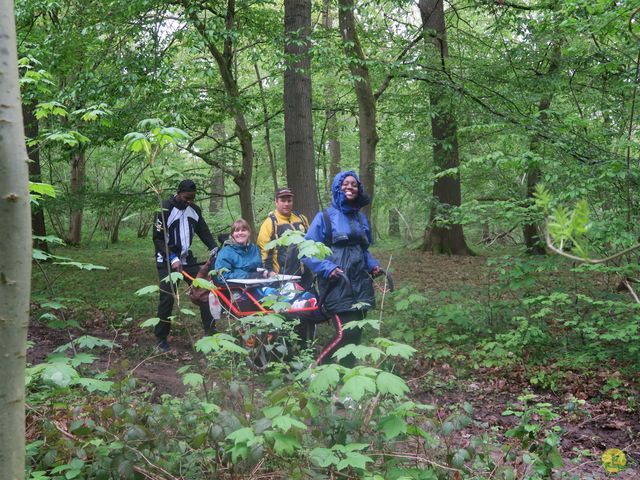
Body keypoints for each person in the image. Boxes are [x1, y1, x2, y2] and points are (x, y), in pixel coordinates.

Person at [303, 171, 381, 367]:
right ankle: (317, 372)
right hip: (336, 283)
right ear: (337, 187)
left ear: (359, 189)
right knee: (343, 334)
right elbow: (307, 251)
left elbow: (364, 250)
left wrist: (372, 265)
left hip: (361, 284)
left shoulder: (361, 219)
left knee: (356, 335)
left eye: (354, 184)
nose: (350, 187)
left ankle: (345, 381)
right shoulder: (325, 218)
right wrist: (326, 267)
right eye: (345, 183)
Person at [153, 179, 218, 352]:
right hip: (166, 260)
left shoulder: (194, 210)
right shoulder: (165, 209)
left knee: (204, 290)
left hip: (187, 260)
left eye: (193, 198)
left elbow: (203, 231)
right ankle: (160, 338)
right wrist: (172, 257)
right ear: (179, 193)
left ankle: (210, 333)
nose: (189, 201)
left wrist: (213, 247)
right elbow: (157, 239)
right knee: (167, 298)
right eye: (187, 197)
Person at [256, 187, 310, 281]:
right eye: (283, 200)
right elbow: (263, 251)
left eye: (289, 201)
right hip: (282, 278)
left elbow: (311, 242)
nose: (286, 204)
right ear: (276, 202)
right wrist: (268, 271)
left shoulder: (302, 219)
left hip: (306, 275)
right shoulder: (270, 223)